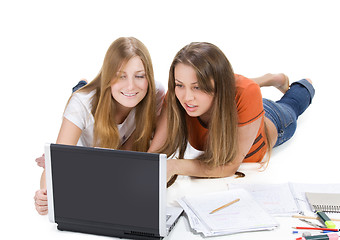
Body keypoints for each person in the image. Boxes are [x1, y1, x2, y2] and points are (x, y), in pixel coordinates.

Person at [148, 42, 315, 183]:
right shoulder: (176, 98)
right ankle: (268, 79)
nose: (187, 97)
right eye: (180, 85)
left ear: (219, 87)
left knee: (292, 103)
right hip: (237, 100)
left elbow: (229, 167)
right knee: (241, 88)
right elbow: (154, 152)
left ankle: (281, 80)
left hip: (273, 119)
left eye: (197, 87)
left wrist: (174, 166)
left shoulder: (246, 93)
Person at [34, 37, 165, 215]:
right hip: (83, 155)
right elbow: (53, 166)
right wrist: (44, 196)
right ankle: (81, 85)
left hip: (112, 146)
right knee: (79, 95)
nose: (131, 86)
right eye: (121, 76)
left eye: (140, 76)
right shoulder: (82, 104)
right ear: (108, 77)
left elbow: (128, 155)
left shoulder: (155, 93)